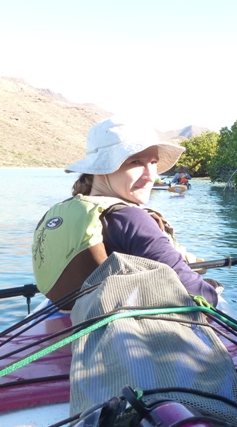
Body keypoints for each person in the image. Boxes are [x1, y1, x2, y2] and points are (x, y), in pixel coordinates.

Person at [32, 117, 217, 308]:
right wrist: (212, 290)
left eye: (153, 162)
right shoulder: (131, 219)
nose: (150, 175)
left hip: (66, 311)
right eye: (135, 162)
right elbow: (198, 294)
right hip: (116, 330)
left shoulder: (65, 211)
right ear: (102, 169)